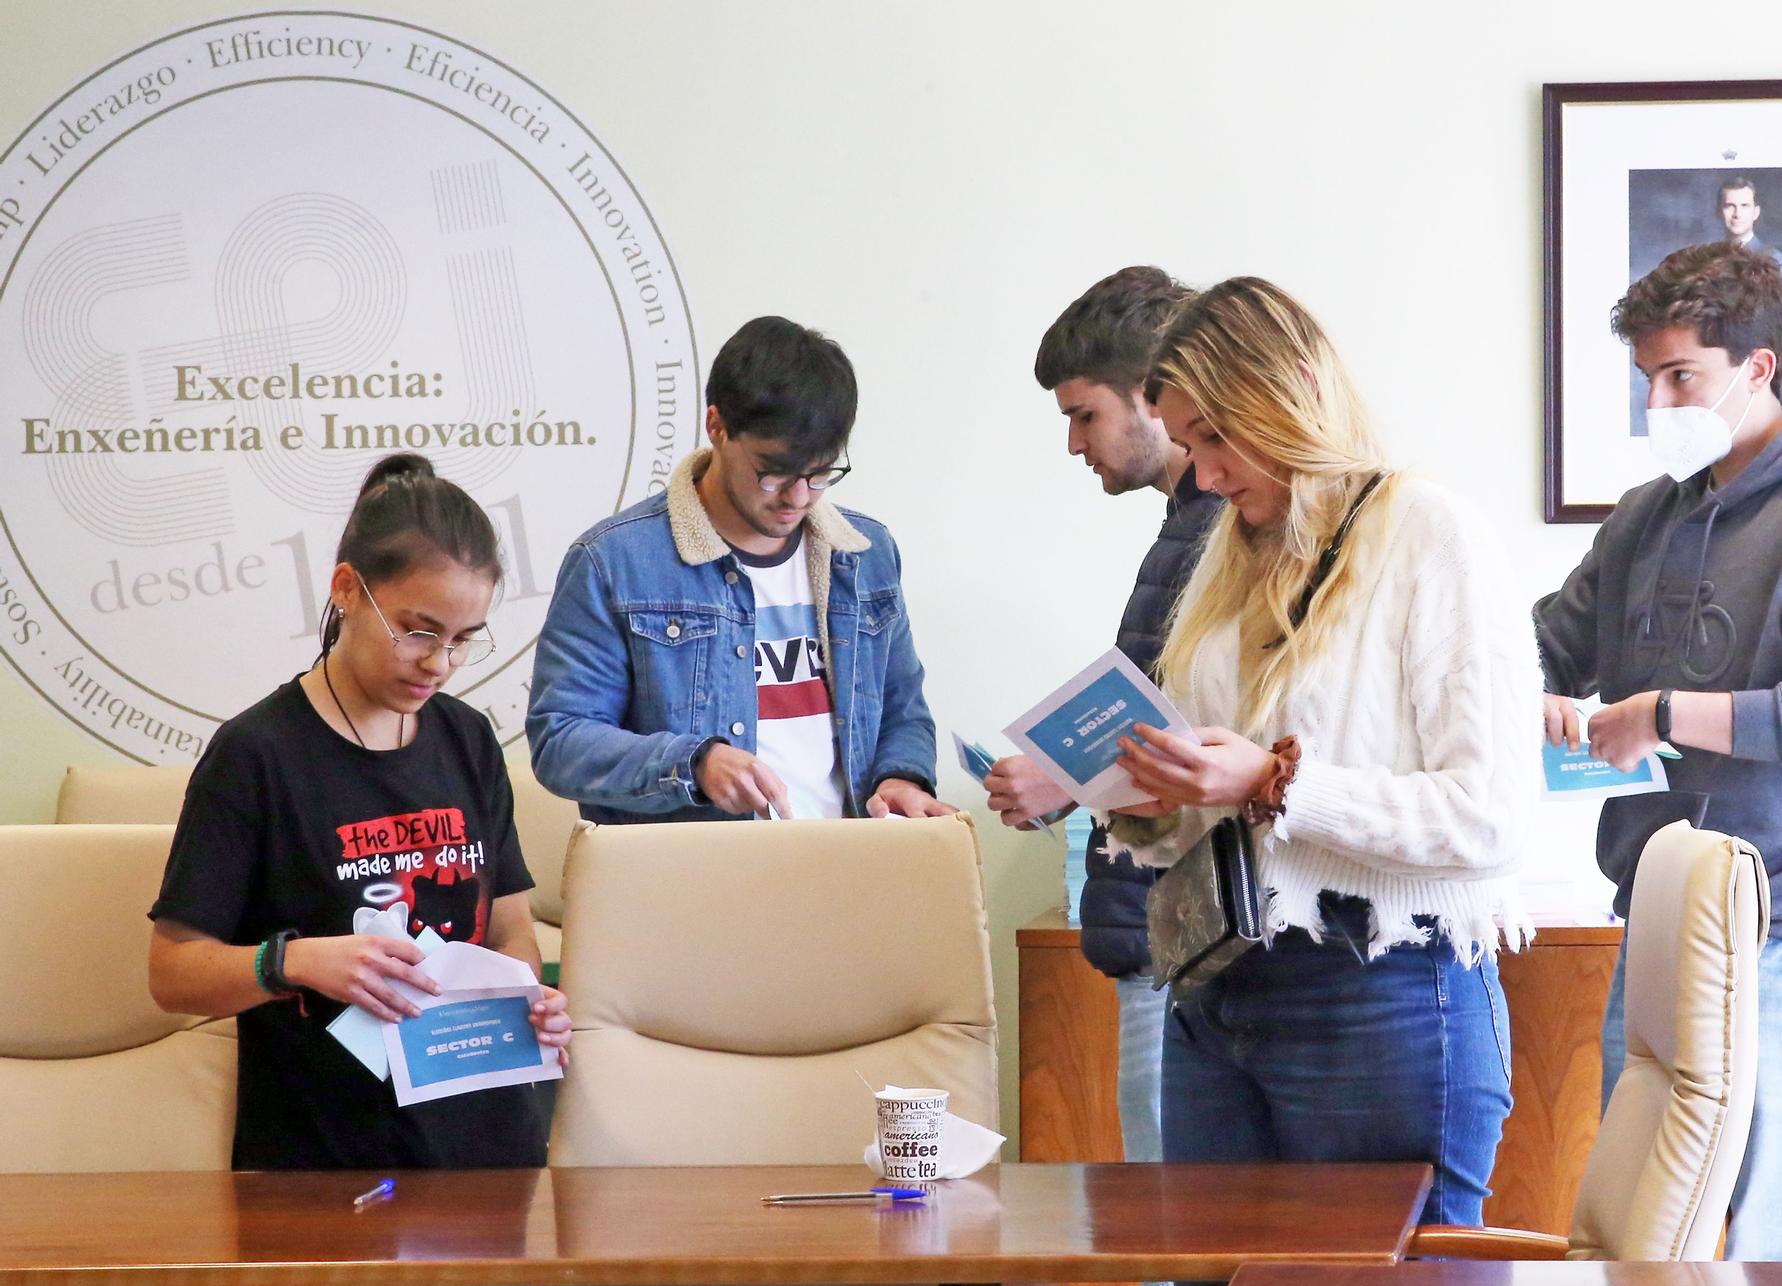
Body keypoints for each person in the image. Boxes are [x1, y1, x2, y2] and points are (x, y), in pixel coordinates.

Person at [1106, 278, 1542, 1286]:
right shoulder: (1229, 554)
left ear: (1295, 389)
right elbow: (1219, 802)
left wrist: (1274, 782)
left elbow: (1487, 814)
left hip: (1378, 994)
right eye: (1185, 441)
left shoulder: (1428, 534)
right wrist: (1144, 793)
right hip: (1215, 990)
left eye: (1216, 436)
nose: (1203, 474)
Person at [1535, 242, 1782, 1261]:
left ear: (1757, 368)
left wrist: (1662, 713)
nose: (1657, 403)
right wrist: (1529, 697)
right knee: (1649, 1250)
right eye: (1645, 380)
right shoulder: (1644, 517)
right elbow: (1543, 647)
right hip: (1657, 914)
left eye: (1679, 377)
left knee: (1770, 1247)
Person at [149, 454, 572, 1179]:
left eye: (464, 638)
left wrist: (528, 1000)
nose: (439, 662)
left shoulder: (467, 739)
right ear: (347, 588)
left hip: (479, 1142)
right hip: (322, 1154)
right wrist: (292, 960)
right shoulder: (256, 755)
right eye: (418, 629)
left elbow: (508, 925)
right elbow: (172, 972)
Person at [984, 266, 1223, 1185]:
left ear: (1154, 400)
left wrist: (1071, 778)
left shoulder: (1218, 531)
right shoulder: (1184, 528)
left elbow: (1215, 733)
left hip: (1186, 933)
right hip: (1159, 923)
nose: (1075, 444)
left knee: (1175, 1226)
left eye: (1085, 415)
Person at [528, 316, 949, 823]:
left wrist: (901, 777)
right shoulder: (613, 562)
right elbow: (561, 739)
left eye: (820, 473)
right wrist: (694, 763)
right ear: (717, 426)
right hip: (690, 885)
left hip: (848, 871)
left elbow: (902, 708)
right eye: (773, 472)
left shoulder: (865, 553)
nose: (798, 497)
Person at [1717, 175, 1782, 279]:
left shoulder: (1774, 260)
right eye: (1730, 206)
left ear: (1756, 212)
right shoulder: (1708, 258)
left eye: (1744, 206)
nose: (1737, 214)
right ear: (1718, 211)